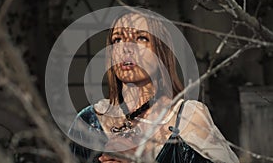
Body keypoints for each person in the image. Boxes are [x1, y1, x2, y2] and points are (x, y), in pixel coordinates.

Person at [69, 10, 239, 163]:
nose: (126, 48)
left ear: (161, 52)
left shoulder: (188, 117)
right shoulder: (89, 121)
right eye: (118, 39)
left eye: (141, 38)